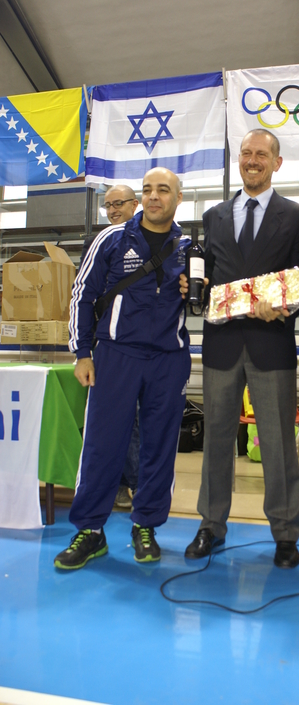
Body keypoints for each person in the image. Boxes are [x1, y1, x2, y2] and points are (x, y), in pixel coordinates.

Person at [54, 167, 191, 569]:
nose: (153, 196)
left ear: (178, 198)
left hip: (169, 359)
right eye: (147, 190)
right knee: (103, 443)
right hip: (116, 356)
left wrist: (195, 290)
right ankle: (90, 530)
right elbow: (82, 295)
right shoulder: (111, 239)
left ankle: (145, 525)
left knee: (159, 447)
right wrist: (82, 352)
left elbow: (207, 298)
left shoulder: (189, 248)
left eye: (162, 190)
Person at [183, 129, 299, 569]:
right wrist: (193, 287)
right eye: (246, 153)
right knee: (216, 440)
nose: (252, 160)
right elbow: (210, 276)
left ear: (277, 163)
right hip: (221, 343)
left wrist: (288, 305)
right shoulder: (214, 215)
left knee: (277, 442)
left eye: (261, 154)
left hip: (271, 342)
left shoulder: (297, 216)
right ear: (239, 160)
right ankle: (211, 525)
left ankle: (286, 533)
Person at [81, 184, 140, 510]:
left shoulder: (153, 240)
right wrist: (83, 351)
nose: (113, 210)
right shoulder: (98, 242)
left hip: (145, 347)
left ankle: (136, 483)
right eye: (108, 206)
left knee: (137, 418)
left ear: (135, 204)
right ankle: (124, 483)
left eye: (119, 203)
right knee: (115, 420)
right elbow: (84, 296)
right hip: (106, 345)